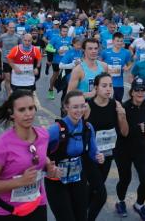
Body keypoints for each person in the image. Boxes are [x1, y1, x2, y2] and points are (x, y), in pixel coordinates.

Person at [0, 90, 55, 221]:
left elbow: (40, 158)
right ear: (12, 114)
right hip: (7, 213)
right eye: (22, 110)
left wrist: (49, 167)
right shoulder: (3, 144)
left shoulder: (43, 135)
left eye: (31, 108)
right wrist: (20, 182)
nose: (28, 114)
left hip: (37, 207)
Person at [45, 90, 104, 221]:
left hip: (78, 179)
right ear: (66, 107)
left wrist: (99, 156)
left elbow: (93, 152)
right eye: (75, 107)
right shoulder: (56, 129)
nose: (80, 110)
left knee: (81, 217)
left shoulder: (88, 128)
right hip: (57, 182)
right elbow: (39, 150)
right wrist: (48, 166)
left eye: (82, 106)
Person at [84, 73, 129, 221]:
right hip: (91, 157)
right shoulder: (88, 106)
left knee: (95, 189)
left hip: (108, 155)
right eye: (104, 86)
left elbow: (124, 132)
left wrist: (122, 116)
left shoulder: (115, 105)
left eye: (110, 85)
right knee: (101, 193)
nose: (108, 89)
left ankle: (83, 211)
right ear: (95, 88)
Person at [114, 78, 145, 220]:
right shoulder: (123, 108)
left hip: (141, 149)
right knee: (125, 179)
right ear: (131, 92)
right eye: (137, 90)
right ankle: (120, 202)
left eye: (142, 90)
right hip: (123, 150)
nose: (140, 93)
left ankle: (139, 205)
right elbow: (123, 133)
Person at [101, 32, 133, 102]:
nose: (119, 43)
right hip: (107, 83)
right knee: (107, 103)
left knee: (118, 104)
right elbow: (99, 63)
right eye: (117, 41)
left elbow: (130, 63)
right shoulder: (105, 52)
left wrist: (127, 68)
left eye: (121, 41)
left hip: (119, 84)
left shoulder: (126, 52)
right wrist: (104, 69)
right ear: (113, 41)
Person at [0, 22, 21, 98]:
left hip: (15, 61)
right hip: (5, 60)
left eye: (13, 28)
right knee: (8, 78)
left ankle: (10, 90)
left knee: (13, 79)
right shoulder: (2, 36)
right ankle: (9, 95)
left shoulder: (18, 37)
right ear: (7, 27)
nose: (12, 29)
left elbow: (21, 47)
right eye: (10, 27)